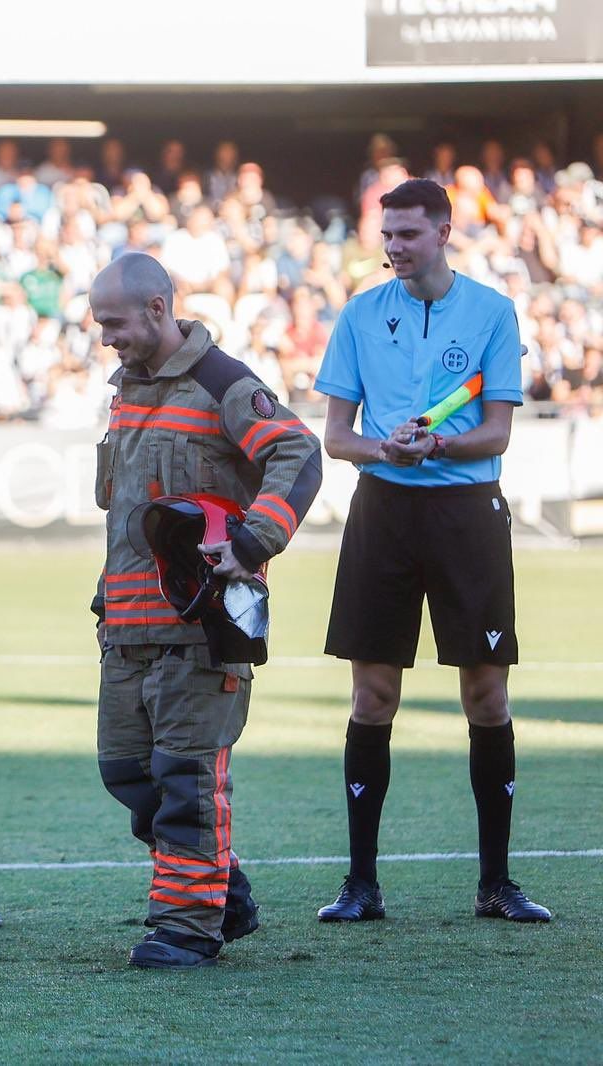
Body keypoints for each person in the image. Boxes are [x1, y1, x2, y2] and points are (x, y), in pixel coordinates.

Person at [313, 178, 550, 924]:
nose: (393, 248)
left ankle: (496, 884)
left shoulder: (490, 313)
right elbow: (336, 437)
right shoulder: (358, 315)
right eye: (387, 236)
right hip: (382, 508)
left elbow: (498, 433)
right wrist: (383, 448)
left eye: (407, 235)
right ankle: (360, 885)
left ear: (445, 232)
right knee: (372, 696)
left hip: (465, 513)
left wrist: (440, 443)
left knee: (486, 696)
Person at [88, 251, 322, 969]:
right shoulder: (127, 389)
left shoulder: (223, 383)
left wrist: (253, 541)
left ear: (158, 310)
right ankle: (228, 892)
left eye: (114, 323)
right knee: (127, 772)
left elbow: (299, 453)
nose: (106, 338)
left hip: (200, 628)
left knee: (185, 778)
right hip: (126, 628)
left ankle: (187, 927)